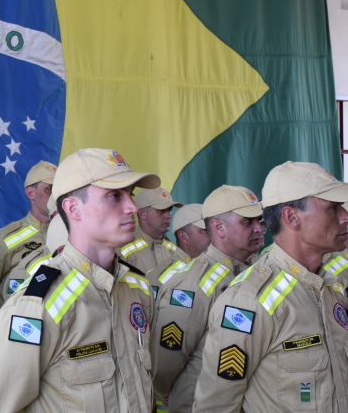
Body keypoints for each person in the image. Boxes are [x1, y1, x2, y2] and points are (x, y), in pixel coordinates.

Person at [0, 148, 159, 412]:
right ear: (73, 208)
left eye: (131, 195)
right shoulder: (37, 308)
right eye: (115, 196)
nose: (132, 207)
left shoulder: (136, 290)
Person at [193, 162, 348, 412]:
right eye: (332, 208)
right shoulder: (249, 302)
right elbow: (215, 405)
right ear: (291, 217)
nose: (345, 216)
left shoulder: (330, 288)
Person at [151, 185, 263, 412]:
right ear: (218, 227)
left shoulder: (253, 270)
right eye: (248, 222)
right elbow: (165, 362)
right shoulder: (195, 283)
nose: (259, 229)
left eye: (260, 221)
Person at [0, 160, 56, 324]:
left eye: (60, 189)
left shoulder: (75, 234)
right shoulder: (4, 240)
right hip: (22, 335)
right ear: (31, 193)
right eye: (50, 190)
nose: (57, 196)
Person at [119, 187, 189, 277]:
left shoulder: (174, 250)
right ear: (142, 213)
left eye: (170, 209)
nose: (169, 215)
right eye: (162, 210)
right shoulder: (123, 251)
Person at [147, 203, 210, 292]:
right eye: (205, 230)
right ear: (184, 237)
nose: (215, 235)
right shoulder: (161, 280)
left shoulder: (223, 265)